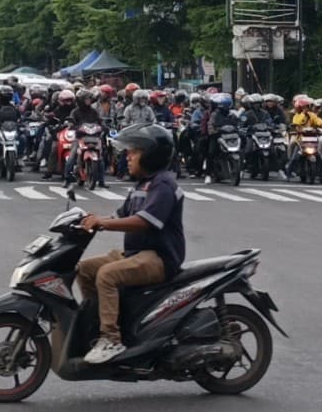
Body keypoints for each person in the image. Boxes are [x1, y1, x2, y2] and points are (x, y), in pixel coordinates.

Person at [77, 123, 185, 364]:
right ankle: (99, 323)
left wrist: (103, 224)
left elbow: (143, 222)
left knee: (106, 275)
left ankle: (111, 340)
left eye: (133, 152)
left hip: (158, 257)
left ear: (151, 154)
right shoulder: (141, 186)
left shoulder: (163, 184)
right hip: (134, 254)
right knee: (84, 269)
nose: (128, 156)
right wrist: (90, 220)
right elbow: (120, 216)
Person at [285, 96, 322, 180]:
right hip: (300, 139)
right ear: (298, 108)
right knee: (295, 157)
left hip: (312, 139)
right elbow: (297, 122)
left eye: (306, 107)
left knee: (319, 157)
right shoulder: (296, 116)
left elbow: (318, 121)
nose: (305, 108)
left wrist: (321, 125)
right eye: (303, 107)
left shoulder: (312, 115)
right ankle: (288, 174)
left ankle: (321, 176)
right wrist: (303, 113)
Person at [205, 93, 238, 184]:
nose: (225, 107)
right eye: (224, 105)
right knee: (211, 153)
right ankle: (208, 175)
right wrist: (213, 132)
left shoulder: (232, 115)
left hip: (231, 137)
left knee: (241, 147)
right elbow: (210, 125)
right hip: (218, 136)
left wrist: (239, 131)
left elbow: (238, 124)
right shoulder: (215, 114)